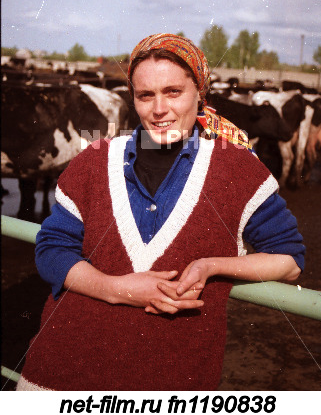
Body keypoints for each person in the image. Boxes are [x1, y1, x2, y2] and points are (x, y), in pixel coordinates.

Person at [17, 33, 305, 391]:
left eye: (173, 92)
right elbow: (51, 250)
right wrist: (117, 289)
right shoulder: (94, 159)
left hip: (170, 383)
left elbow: (289, 260)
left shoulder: (239, 170)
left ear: (199, 93)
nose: (159, 109)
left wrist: (212, 265)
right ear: (133, 98)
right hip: (58, 378)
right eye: (145, 95)